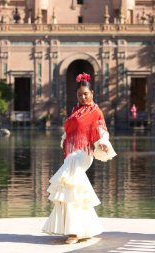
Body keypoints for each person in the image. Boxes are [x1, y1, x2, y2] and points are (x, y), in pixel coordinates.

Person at [42, 72, 117, 244]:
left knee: (69, 185)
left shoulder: (96, 111)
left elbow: (102, 129)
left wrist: (104, 142)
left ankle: (75, 232)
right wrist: (64, 143)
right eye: (79, 95)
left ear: (92, 94)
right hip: (71, 153)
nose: (83, 97)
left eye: (86, 94)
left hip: (83, 153)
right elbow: (68, 131)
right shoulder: (75, 110)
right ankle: (82, 228)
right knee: (70, 189)